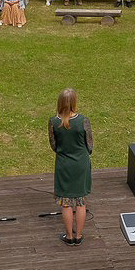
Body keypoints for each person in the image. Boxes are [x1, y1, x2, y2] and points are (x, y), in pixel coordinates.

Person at [49, 88, 93, 246]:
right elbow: (90, 145)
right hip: (80, 164)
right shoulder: (83, 121)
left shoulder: (53, 122)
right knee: (81, 201)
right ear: (74, 102)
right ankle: (78, 235)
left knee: (66, 202)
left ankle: (69, 236)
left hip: (64, 165)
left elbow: (53, 145)